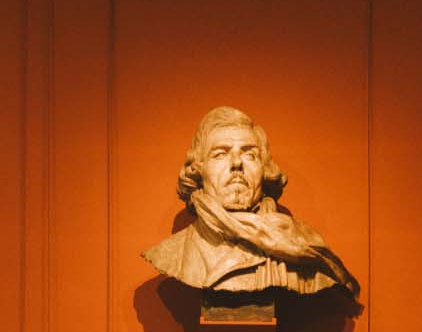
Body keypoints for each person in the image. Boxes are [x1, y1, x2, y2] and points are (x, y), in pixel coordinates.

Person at [142, 106, 358, 298]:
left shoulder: (302, 244)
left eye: (249, 155)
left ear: (265, 170)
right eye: (220, 154)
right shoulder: (174, 254)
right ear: (199, 170)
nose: (236, 163)